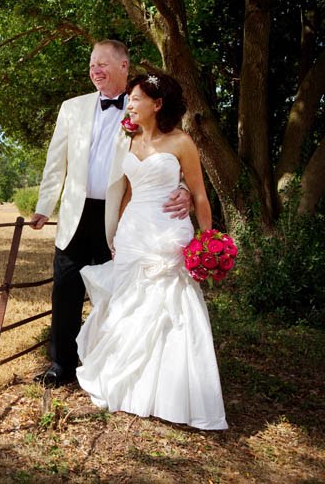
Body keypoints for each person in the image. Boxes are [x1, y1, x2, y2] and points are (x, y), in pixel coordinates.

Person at [30, 40, 191, 388]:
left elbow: (166, 154)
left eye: (103, 63)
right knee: (66, 291)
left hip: (121, 218)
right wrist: (44, 207)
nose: (95, 70)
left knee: (118, 295)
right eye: (91, 65)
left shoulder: (141, 108)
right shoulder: (71, 108)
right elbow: (55, 164)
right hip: (75, 216)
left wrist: (185, 190)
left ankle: (111, 367)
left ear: (123, 66)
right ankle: (61, 365)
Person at [75, 73, 228, 430]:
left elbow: (200, 194)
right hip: (133, 233)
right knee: (129, 305)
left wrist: (208, 242)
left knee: (167, 308)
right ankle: (127, 384)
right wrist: (116, 233)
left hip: (168, 233)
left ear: (157, 105)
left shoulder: (182, 143)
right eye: (128, 98)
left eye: (136, 98)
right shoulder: (128, 142)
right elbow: (127, 192)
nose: (129, 104)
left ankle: (171, 393)